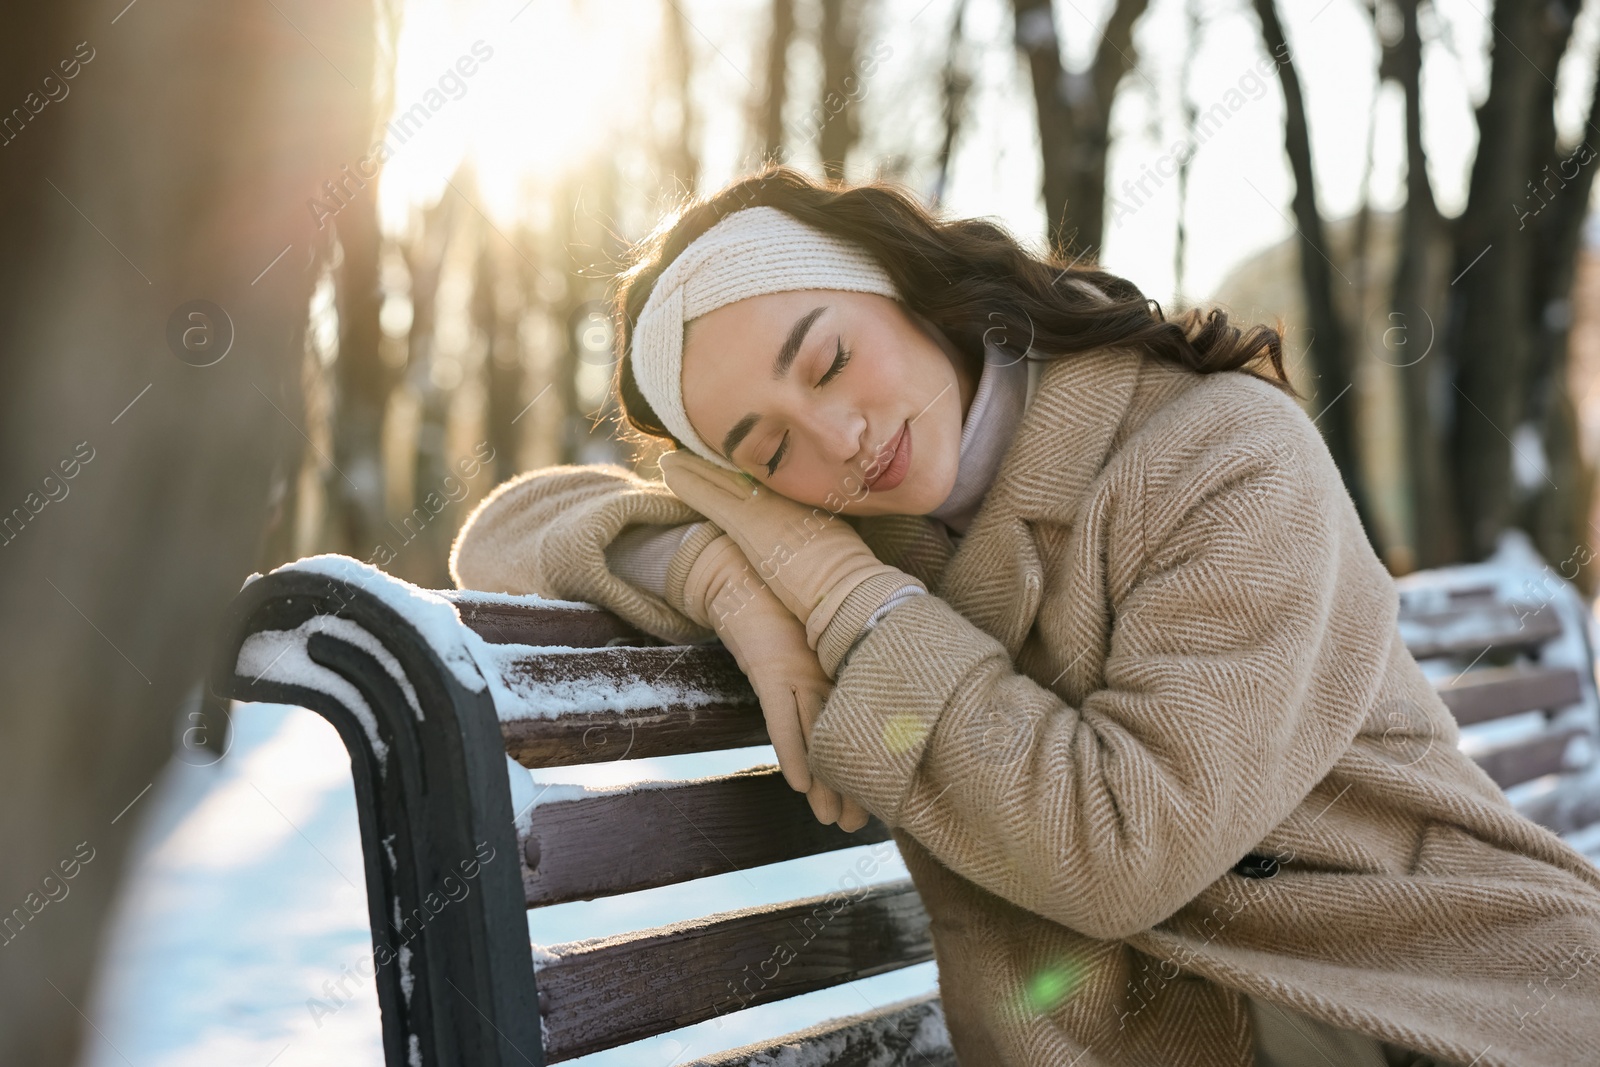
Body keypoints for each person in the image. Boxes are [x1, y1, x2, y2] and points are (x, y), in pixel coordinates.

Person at [448, 166, 1600, 1067]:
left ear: (896, 274)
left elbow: (1117, 846)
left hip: (1434, 1002)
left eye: (830, 359)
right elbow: (500, 534)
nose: (836, 439)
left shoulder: (1220, 453)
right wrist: (730, 576)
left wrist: (838, 587)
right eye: (767, 453)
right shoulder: (846, 537)